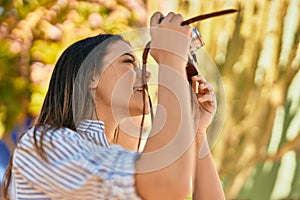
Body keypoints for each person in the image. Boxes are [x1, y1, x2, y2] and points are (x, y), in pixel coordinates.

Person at [1, 12, 225, 199]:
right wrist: (170, 61)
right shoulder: (44, 145)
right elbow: (166, 185)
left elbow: (165, 183)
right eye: (128, 62)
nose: (146, 72)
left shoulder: (112, 159)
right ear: (90, 77)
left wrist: (197, 132)